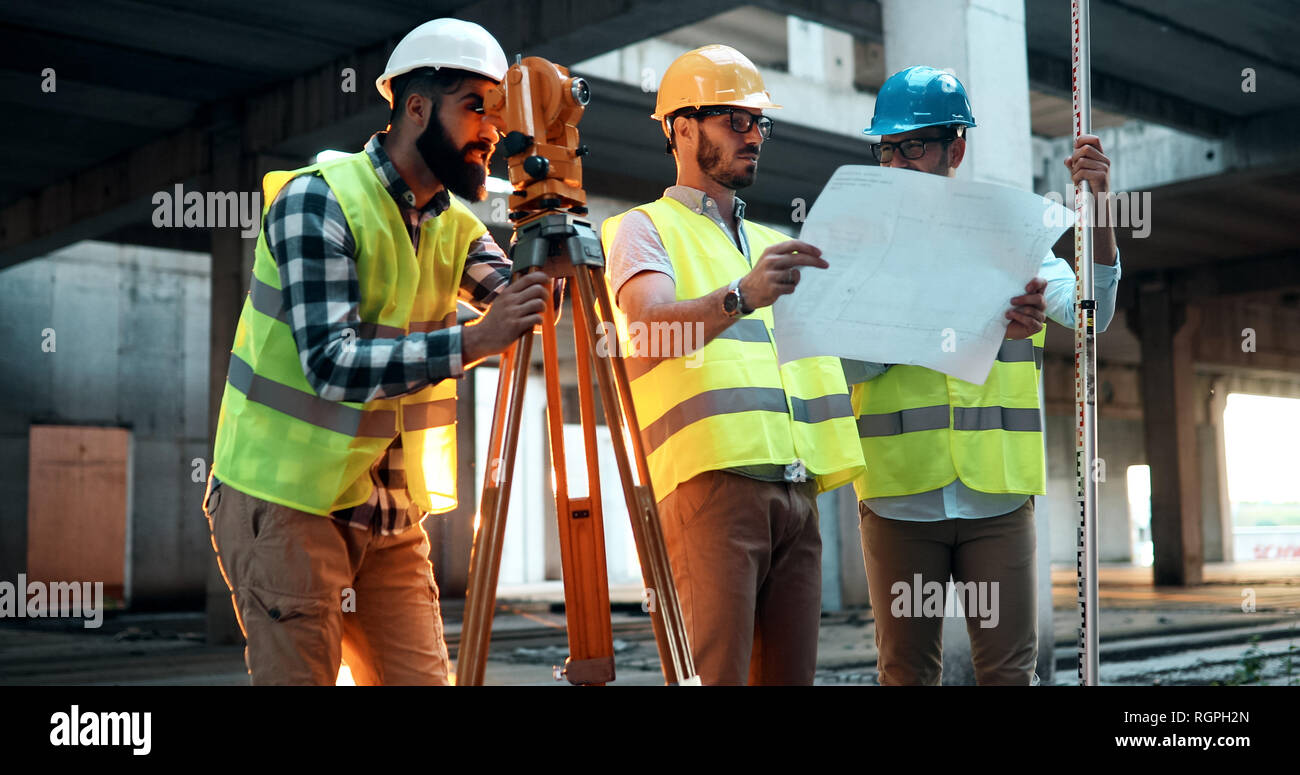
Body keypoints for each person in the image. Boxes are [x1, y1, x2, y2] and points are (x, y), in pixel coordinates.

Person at [204, 18, 552, 685]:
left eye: (498, 114)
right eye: (476, 107)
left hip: (388, 513)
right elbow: (331, 363)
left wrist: (548, 217)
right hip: (287, 503)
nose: (491, 130)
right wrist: (478, 340)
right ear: (415, 107)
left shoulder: (454, 224)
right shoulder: (319, 201)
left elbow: (527, 303)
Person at [848, 65, 1122, 685]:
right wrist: (963, 319)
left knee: (1009, 674)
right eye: (887, 148)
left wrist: (1097, 209)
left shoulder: (1012, 235)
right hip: (898, 498)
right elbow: (849, 363)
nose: (897, 163)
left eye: (912, 145)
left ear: (956, 148)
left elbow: (1091, 316)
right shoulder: (860, 245)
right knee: (906, 672)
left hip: (996, 498)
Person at [601, 45, 864, 685]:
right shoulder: (641, 230)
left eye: (759, 123)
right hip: (710, 489)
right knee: (714, 677)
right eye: (735, 121)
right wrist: (741, 295)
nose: (754, 137)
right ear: (681, 129)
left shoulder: (777, 245)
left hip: (798, 492)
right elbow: (646, 329)